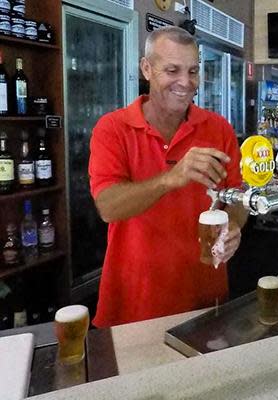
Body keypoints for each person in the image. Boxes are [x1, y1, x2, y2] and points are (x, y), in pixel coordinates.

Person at [88, 26, 248, 328]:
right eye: (172, 70)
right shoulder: (112, 129)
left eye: (193, 71)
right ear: (146, 69)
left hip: (204, 298)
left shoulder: (219, 129)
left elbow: (236, 198)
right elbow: (108, 207)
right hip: (134, 304)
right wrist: (170, 178)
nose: (185, 83)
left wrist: (235, 226)